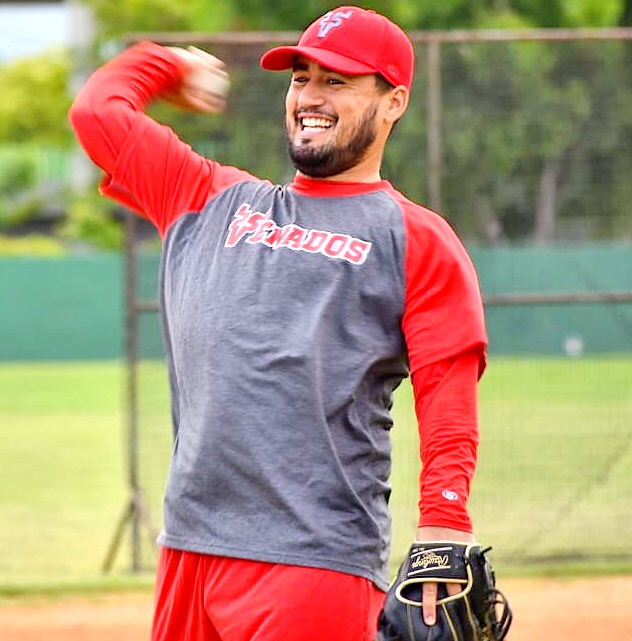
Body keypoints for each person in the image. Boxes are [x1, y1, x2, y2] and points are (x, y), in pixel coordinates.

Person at [69, 6, 488, 641]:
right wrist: (168, 63)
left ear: (393, 101)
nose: (310, 97)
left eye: (337, 81)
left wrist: (444, 524)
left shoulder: (414, 237)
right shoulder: (207, 197)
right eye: (301, 77)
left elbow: (447, 390)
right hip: (190, 546)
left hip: (313, 560)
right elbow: (97, 113)